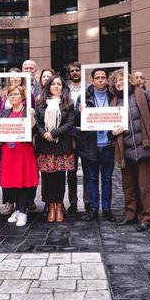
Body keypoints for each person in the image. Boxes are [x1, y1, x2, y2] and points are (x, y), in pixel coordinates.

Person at [109, 70, 150, 232]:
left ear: (129, 80)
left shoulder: (144, 95)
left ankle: (146, 217)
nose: (119, 83)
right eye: (116, 81)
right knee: (128, 186)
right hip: (125, 150)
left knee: (144, 186)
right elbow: (109, 128)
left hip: (145, 147)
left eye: (122, 80)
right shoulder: (114, 102)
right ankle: (130, 215)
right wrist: (111, 133)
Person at [76, 68, 116, 222]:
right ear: (92, 80)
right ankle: (93, 209)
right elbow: (77, 123)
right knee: (91, 178)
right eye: (97, 77)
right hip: (90, 145)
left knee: (107, 179)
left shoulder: (114, 96)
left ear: (107, 80)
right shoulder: (83, 97)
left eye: (103, 77)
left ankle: (106, 209)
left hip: (108, 145)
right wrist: (80, 113)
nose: (100, 80)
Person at [35, 75, 75, 223]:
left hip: (62, 146)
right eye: (53, 84)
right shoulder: (40, 104)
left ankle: (59, 206)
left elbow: (70, 123)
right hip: (44, 146)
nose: (56, 86)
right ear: (48, 87)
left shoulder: (68, 104)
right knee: (47, 179)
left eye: (59, 84)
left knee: (59, 178)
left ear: (63, 87)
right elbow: (37, 123)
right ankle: (50, 206)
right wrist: (45, 134)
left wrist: (53, 133)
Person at [0, 85, 39, 227]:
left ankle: (23, 211)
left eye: (16, 94)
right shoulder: (4, 113)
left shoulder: (28, 111)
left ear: (23, 96)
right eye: (11, 94)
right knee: (12, 181)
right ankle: (17, 209)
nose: (13, 96)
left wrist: (32, 117)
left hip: (24, 150)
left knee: (23, 180)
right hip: (8, 151)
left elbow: (35, 129)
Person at [66, 61, 90, 214]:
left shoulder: (89, 89)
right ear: (69, 74)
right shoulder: (64, 90)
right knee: (71, 170)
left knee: (88, 170)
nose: (75, 72)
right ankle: (73, 202)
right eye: (72, 71)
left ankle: (88, 202)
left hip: (87, 133)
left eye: (77, 70)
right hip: (70, 134)